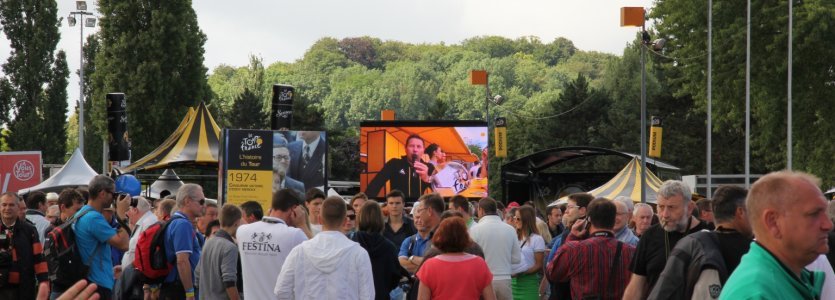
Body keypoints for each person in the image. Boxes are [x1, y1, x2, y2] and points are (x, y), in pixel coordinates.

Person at [720, 171, 831, 299]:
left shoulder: (785, 279)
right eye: (814, 214)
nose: (828, 225)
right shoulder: (756, 293)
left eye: (825, 212)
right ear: (773, 222)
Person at [649, 185, 752, 299]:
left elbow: (662, 293)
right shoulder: (757, 251)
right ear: (740, 212)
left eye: (671, 207)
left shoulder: (690, 244)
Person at [274, 196, 375, 299]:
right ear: (345, 220)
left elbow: (281, 291)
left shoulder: (299, 251)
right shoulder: (359, 253)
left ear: (320, 219)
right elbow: (368, 296)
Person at [623, 180, 709, 299]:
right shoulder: (650, 236)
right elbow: (636, 286)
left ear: (689, 208)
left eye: (672, 207)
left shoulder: (708, 234)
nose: (664, 214)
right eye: (661, 207)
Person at [547, 198, 636, 300]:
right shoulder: (631, 252)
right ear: (613, 219)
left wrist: (571, 237)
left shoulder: (573, 249)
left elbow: (552, 273)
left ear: (589, 220)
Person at [237, 188, 309, 300]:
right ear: (294, 209)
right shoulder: (294, 235)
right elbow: (316, 255)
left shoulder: (242, 231)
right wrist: (302, 224)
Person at [73, 175, 131, 299]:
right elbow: (124, 244)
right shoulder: (94, 218)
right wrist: (122, 215)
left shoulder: (82, 213)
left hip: (91, 280)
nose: (114, 198)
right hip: (98, 283)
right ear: (102, 193)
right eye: (113, 194)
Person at [417, 217, 496, 300]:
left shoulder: (429, 265)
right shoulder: (479, 263)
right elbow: (491, 297)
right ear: (466, 236)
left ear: (440, 236)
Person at [160, 183, 206, 300]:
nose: (203, 205)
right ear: (187, 201)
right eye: (201, 201)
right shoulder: (182, 224)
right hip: (179, 289)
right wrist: (190, 293)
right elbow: (182, 261)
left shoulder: (175, 221)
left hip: (175, 287)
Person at [0, 192, 50, 300]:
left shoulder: (29, 230)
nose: (7, 208)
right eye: (4, 205)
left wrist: (44, 283)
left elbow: (39, 259)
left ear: (18, 208)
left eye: (11, 205)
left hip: (24, 289)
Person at [544, 193, 594, 300]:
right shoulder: (573, 230)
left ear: (583, 211)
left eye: (570, 207)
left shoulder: (577, 232)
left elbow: (561, 266)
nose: (565, 211)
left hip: (568, 292)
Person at [470, 197, 521, 300]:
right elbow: (517, 259)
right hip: (505, 279)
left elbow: (471, 259)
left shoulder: (474, 230)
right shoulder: (510, 229)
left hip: (483, 280)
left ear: (481, 210)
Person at [351, 200, 403, 300]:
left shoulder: (351, 245)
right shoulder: (389, 247)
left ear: (360, 218)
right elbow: (395, 276)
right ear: (380, 219)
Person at [365, 134, 435, 199]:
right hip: (397, 205)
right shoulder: (394, 163)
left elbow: (439, 190)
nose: (415, 150)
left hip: (418, 208)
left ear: (423, 150)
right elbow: (375, 185)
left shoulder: (429, 167)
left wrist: (427, 178)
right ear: (405, 149)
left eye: (419, 146)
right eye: (411, 146)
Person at [196, 204, 242, 300]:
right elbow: (229, 281)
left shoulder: (208, 242)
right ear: (237, 222)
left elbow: (197, 274)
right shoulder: (230, 247)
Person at [510, 206, 547, 299]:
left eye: (518, 218)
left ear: (526, 220)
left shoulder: (537, 239)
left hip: (529, 283)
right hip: (512, 283)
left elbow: (539, 265)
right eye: (514, 218)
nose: (515, 221)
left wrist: (521, 272)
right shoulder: (513, 237)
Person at [121, 197, 158, 267]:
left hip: (139, 274)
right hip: (134, 273)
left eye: (127, 210)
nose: (126, 213)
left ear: (135, 210)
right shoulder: (146, 222)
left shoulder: (149, 223)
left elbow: (146, 254)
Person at [398, 201, 433, 275]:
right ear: (413, 218)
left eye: (422, 217)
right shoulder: (408, 241)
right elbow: (401, 264)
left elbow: (437, 265)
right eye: (417, 217)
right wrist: (427, 268)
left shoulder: (438, 240)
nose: (419, 220)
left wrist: (412, 258)